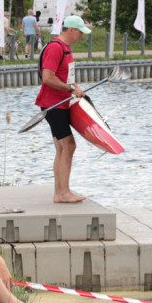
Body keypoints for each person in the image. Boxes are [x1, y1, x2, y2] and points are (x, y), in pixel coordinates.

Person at [35, 15, 91, 203]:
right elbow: (48, 77)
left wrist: (74, 89)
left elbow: (64, 77)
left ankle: (59, 193)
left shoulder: (66, 48)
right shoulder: (55, 48)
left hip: (62, 103)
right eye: (80, 32)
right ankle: (63, 192)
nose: (82, 36)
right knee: (68, 145)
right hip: (53, 104)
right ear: (71, 30)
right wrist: (70, 89)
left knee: (61, 147)